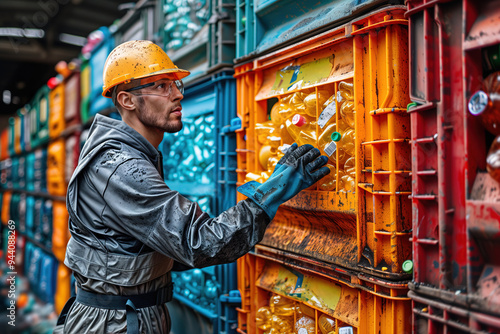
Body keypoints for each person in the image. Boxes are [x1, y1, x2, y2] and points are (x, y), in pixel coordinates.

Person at [57, 40, 330, 334]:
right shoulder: (123, 168)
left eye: (175, 85)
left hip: (128, 311)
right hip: (115, 323)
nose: (177, 95)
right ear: (127, 100)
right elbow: (200, 243)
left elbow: (154, 248)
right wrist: (276, 187)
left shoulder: (131, 155)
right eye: (162, 86)